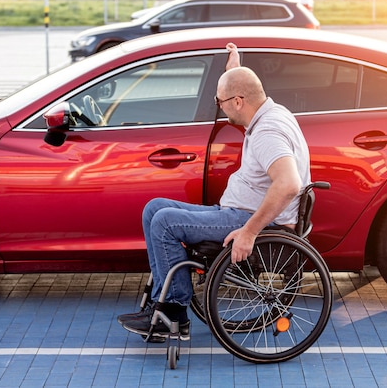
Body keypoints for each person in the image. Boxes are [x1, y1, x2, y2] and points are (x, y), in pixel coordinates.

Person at [118, 43, 311, 342]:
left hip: (251, 220)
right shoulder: (269, 109)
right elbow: (244, 86)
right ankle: (162, 302)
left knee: (165, 222)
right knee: (154, 208)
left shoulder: (267, 132)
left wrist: (248, 232)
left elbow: (288, 184)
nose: (218, 106)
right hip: (235, 212)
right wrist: (233, 69)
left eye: (219, 101)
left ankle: (174, 310)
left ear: (237, 101)